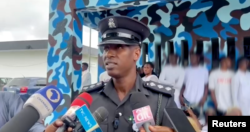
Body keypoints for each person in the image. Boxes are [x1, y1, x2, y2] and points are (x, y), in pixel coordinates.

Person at [45, 16, 180, 132]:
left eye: (119, 47)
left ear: (137, 53)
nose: (109, 54)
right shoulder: (87, 98)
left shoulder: (163, 99)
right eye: (106, 48)